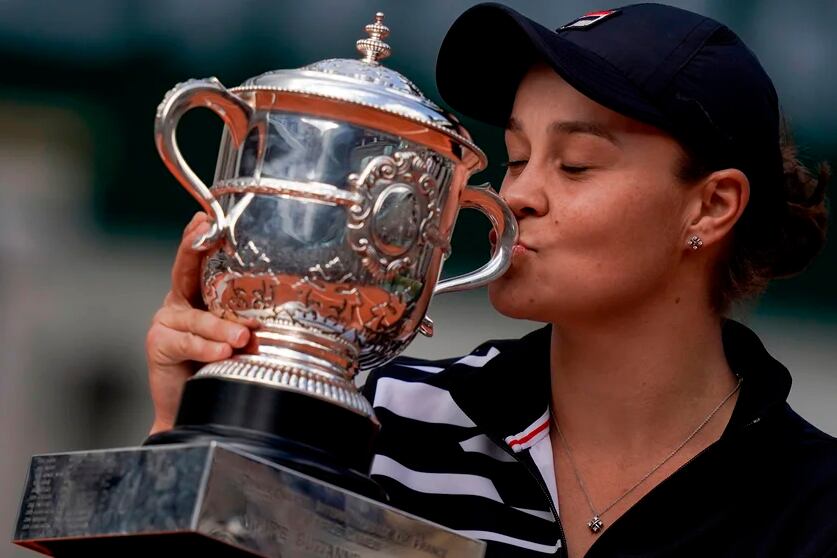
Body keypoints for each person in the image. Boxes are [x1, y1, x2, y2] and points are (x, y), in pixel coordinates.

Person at [145, 3, 836, 557]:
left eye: (574, 165)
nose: (517, 197)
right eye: (514, 157)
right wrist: (194, 431)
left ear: (710, 205)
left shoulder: (815, 509)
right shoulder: (380, 419)